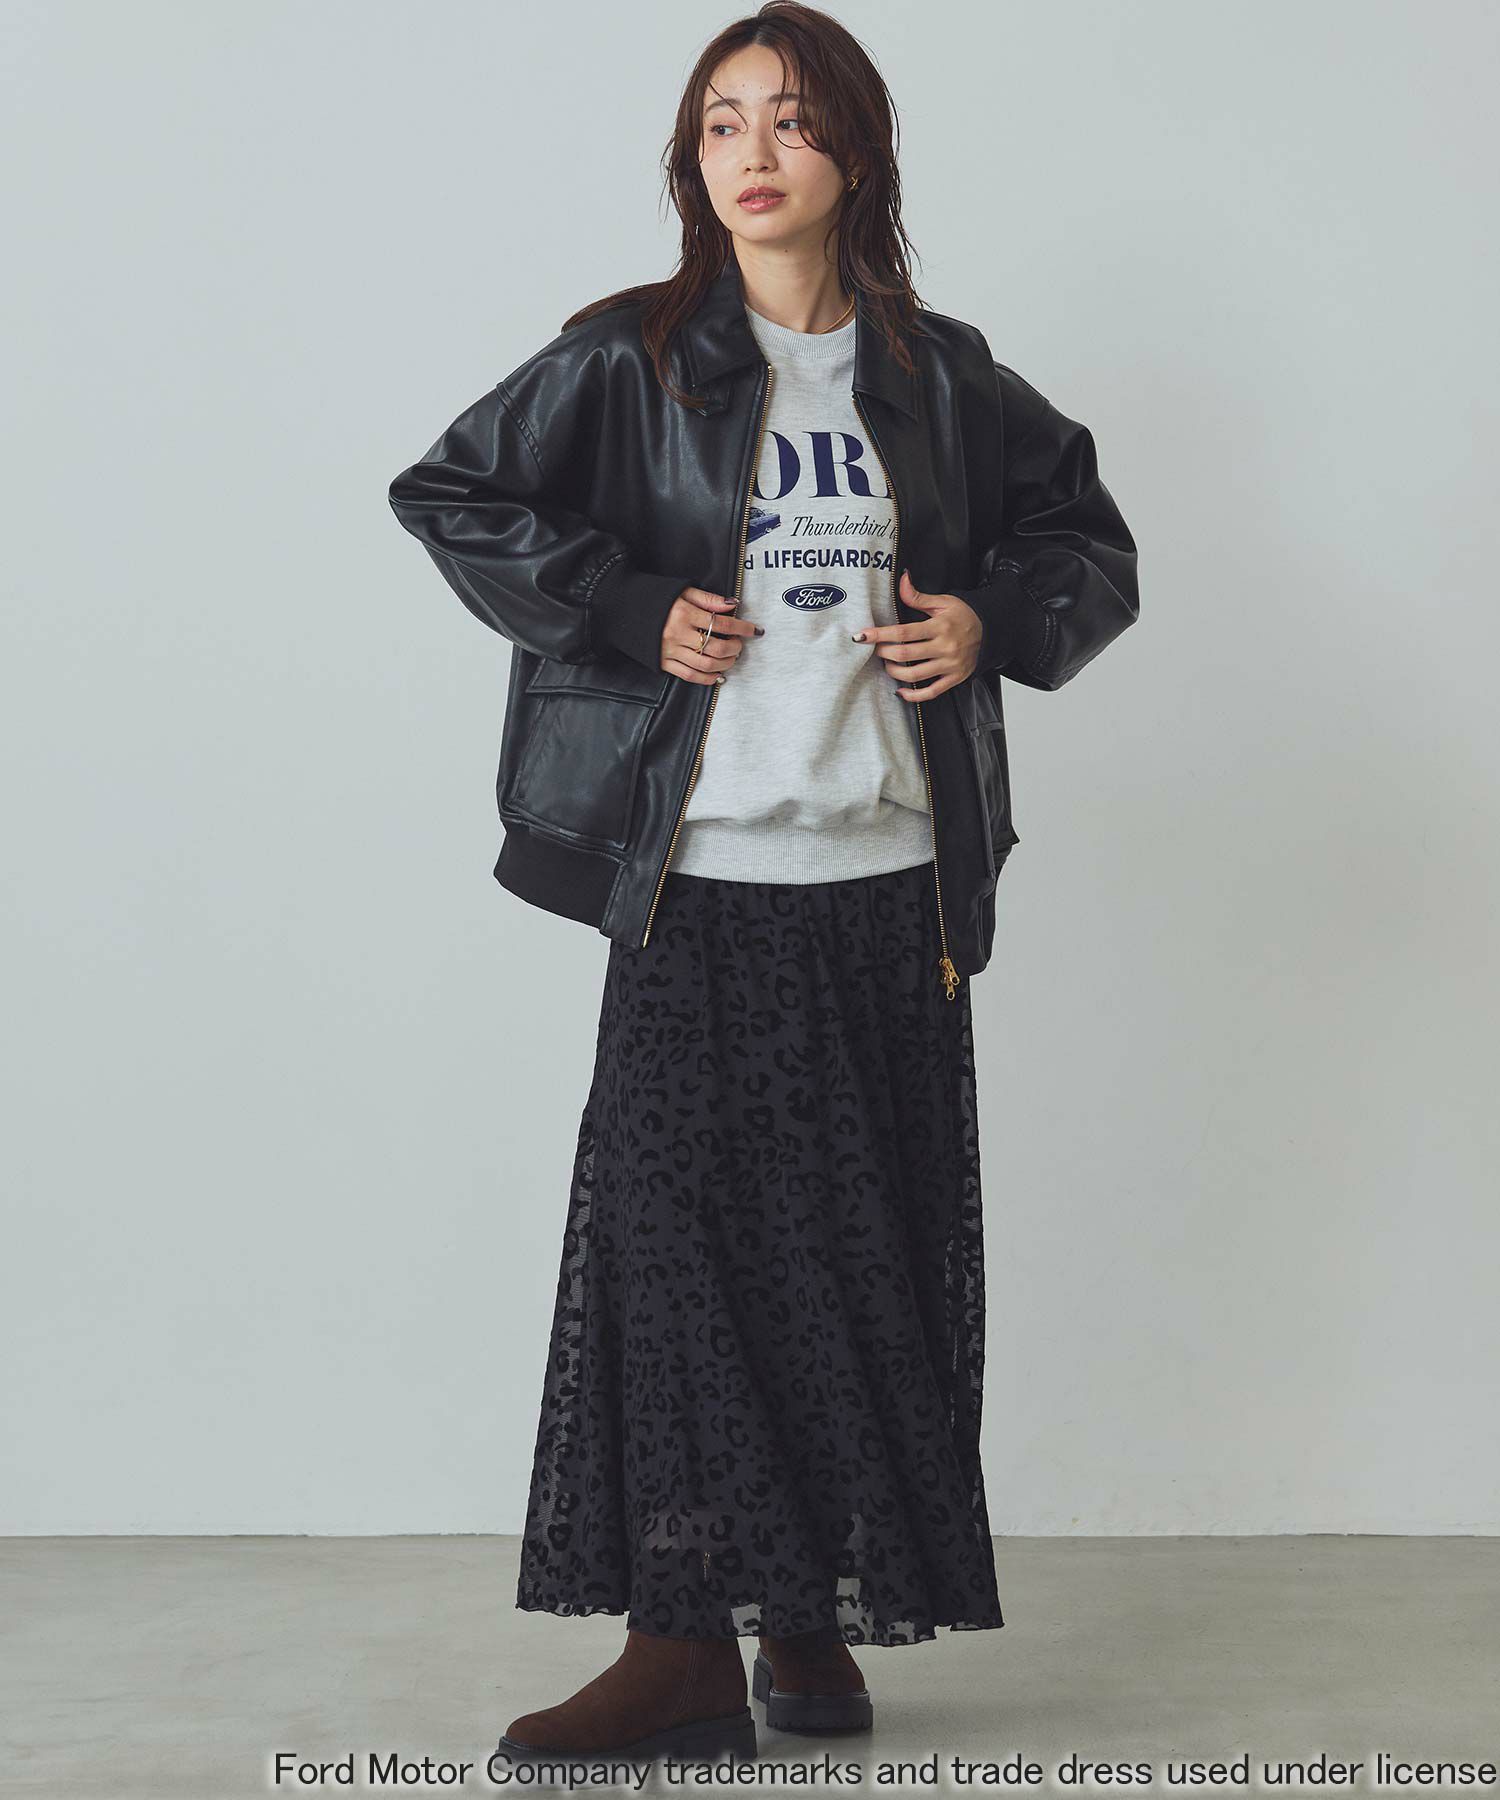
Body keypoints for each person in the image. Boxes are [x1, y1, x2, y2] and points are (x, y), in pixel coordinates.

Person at [387, 0, 1138, 1769]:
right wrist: (623, 604)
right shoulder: (630, 360)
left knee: (855, 1263)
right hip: (701, 881)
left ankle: (809, 1628)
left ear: (854, 153)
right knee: (678, 1268)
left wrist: (987, 618)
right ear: (691, 160)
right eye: (722, 121)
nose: (753, 151)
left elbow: (1085, 541)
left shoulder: (939, 376)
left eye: (790, 119)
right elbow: (451, 492)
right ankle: (677, 1649)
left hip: (893, 888)